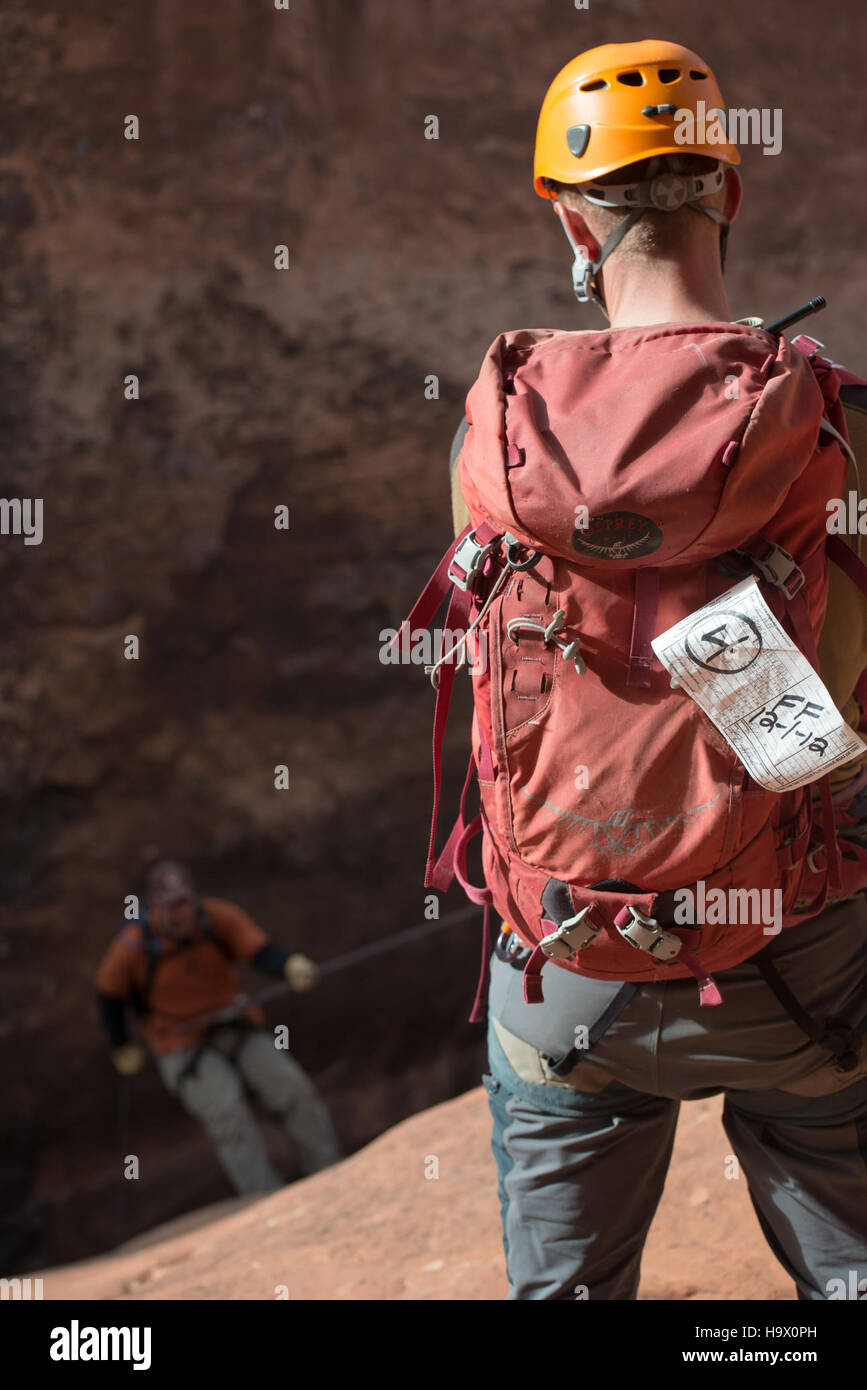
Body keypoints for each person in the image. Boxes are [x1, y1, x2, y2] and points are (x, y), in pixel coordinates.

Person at [449, 41, 867, 1300]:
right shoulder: (833, 423)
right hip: (796, 964)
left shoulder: (496, 429)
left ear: (570, 216)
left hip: (567, 971)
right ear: (727, 195)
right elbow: (831, 719)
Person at [94, 858, 342, 1195]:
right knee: (228, 1113)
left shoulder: (216, 918)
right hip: (180, 1046)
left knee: (291, 1087)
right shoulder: (132, 947)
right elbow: (108, 995)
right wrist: (120, 1045)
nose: (181, 913)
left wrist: (289, 966)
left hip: (233, 1025)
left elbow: (259, 951)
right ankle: (266, 1202)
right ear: (153, 906)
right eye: (171, 906)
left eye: (185, 902)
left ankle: (331, 1175)